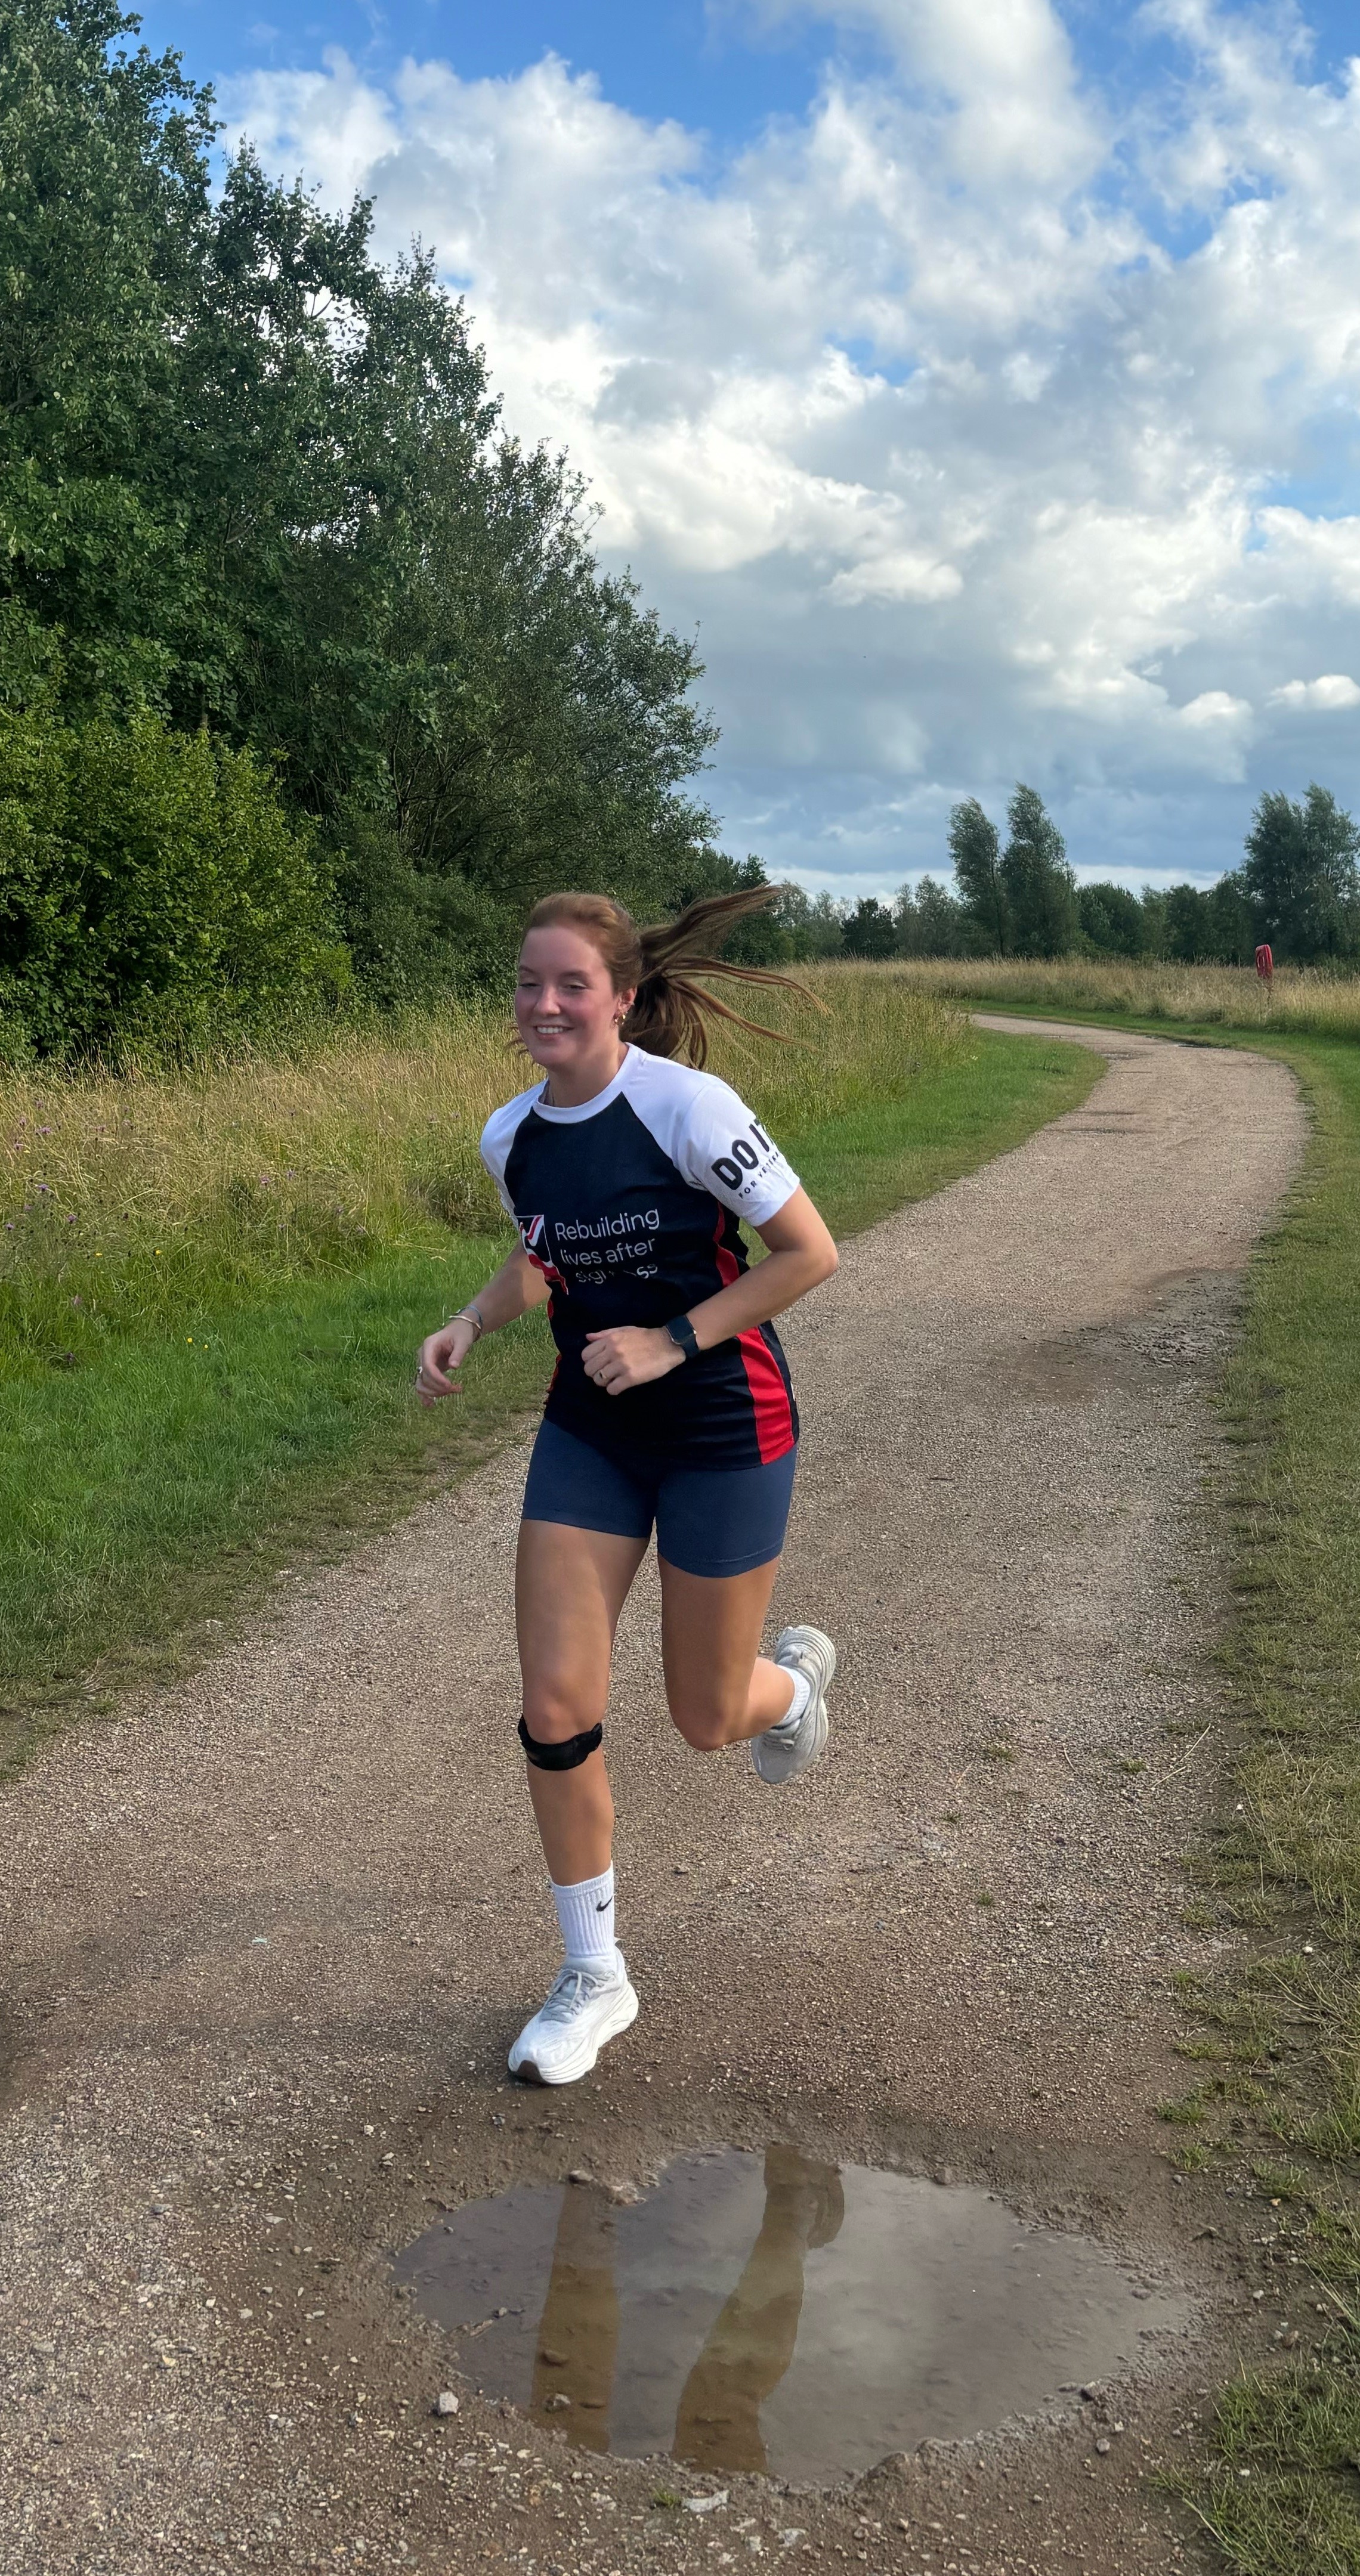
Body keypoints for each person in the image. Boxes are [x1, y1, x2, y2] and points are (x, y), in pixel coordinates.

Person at [416, 887, 842, 2088]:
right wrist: (471, 1319)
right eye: (528, 983)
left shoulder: (688, 1107)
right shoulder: (511, 1136)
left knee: (707, 1717)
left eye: (571, 984)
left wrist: (672, 1339)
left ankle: (792, 1688)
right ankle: (594, 1975)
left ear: (621, 999)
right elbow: (544, 1257)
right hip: (593, 1432)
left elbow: (809, 1252)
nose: (544, 1004)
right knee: (555, 1704)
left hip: (723, 1425)